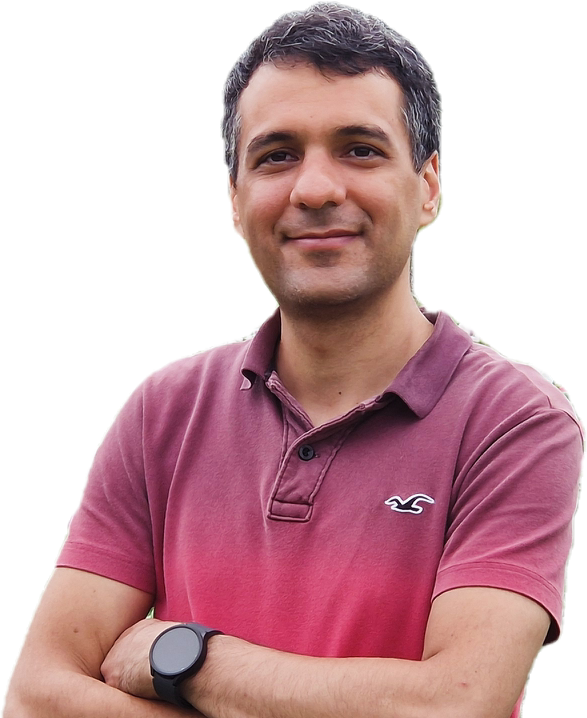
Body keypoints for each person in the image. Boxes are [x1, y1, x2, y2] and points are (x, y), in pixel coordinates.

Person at [4, 2, 583, 717]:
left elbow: (453, 706)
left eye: (360, 149)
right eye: (276, 155)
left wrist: (188, 656)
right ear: (235, 198)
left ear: (428, 187)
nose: (314, 189)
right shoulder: (165, 412)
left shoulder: (515, 421)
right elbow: (37, 697)